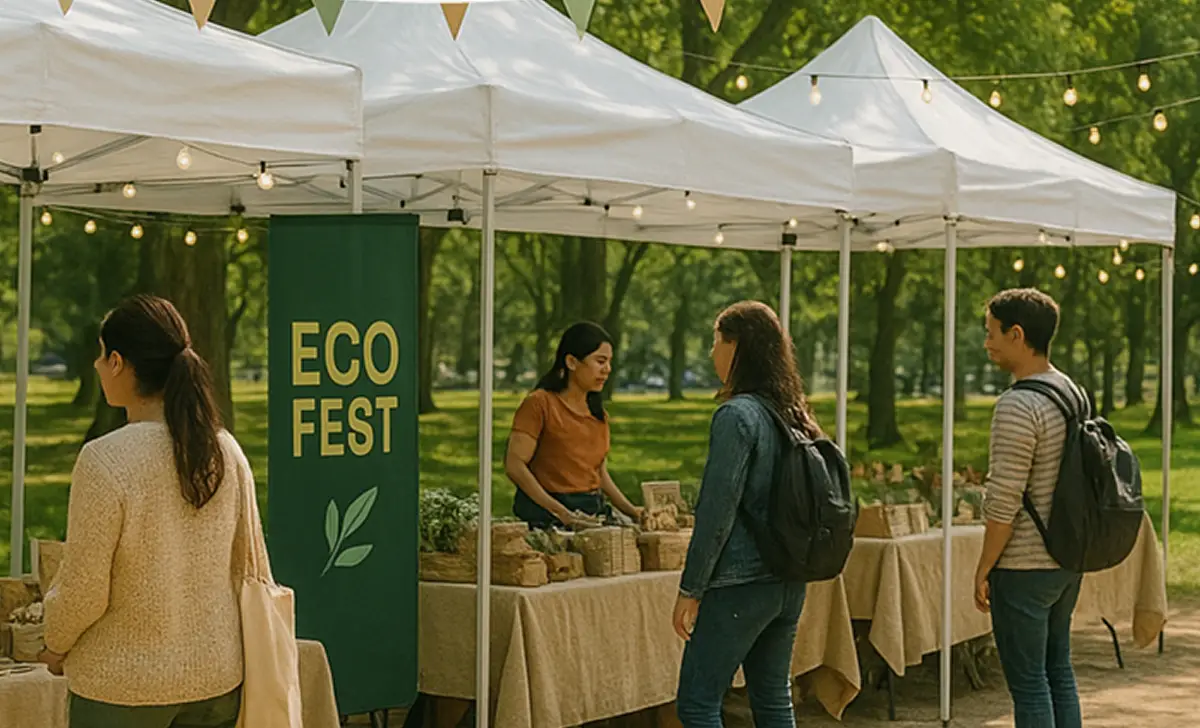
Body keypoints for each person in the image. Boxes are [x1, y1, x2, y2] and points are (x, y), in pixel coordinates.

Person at [40, 295, 269, 728]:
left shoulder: (105, 460)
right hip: (216, 683)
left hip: (122, 690)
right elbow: (248, 565)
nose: (96, 365)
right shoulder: (227, 451)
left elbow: (85, 589)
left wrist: (54, 641)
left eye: (101, 354)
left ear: (118, 363)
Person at [673, 301, 822, 728]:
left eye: (716, 342)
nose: (711, 353)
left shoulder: (736, 416)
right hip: (788, 578)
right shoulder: (795, 413)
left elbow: (716, 511)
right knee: (773, 700)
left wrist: (690, 588)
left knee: (698, 703)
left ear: (737, 346)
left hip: (740, 582)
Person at [974, 288, 1083, 728]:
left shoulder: (1018, 404)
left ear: (1017, 335)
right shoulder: (1071, 392)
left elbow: (1004, 500)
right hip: (1067, 557)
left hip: (1024, 566)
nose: (987, 343)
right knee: (1059, 671)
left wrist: (984, 567)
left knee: (1030, 684)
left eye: (992, 333)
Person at [504, 321, 641, 529]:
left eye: (609, 362)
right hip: (546, 518)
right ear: (571, 362)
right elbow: (515, 466)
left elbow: (598, 474)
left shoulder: (598, 415)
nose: (607, 369)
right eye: (600, 361)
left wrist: (633, 512)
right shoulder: (540, 404)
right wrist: (561, 513)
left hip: (591, 514)